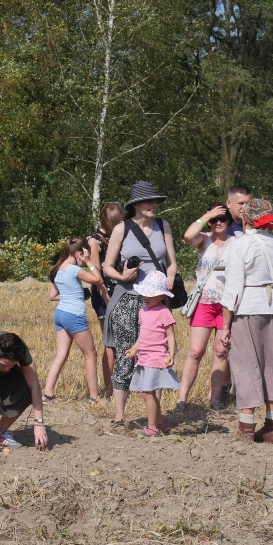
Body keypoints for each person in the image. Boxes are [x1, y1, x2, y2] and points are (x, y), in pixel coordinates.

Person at [219, 199, 273, 443]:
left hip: (246, 310)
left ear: (246, 218)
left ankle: (247, 430)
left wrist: (224, 325)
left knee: (245, 366)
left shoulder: (239, 245)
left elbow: (232, 289)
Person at [102, 181, 178, 427]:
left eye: (156, 201)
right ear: (135, 205)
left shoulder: (163, 225)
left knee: (156, 355)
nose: (154, 205)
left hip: (156, 301)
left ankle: (154, 418)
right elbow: (107, 267)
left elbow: (172, 261)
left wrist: (169, 278)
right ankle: (119, 416)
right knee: (126, 353)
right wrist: (122, 277)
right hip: (126, 298)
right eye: (149, 201)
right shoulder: (121, 229)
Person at [175, 203, 234, 411]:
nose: (218, 223)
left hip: (227, 305)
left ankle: (215, 399)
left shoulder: (236, 242)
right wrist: (208, 214)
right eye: (214, 220)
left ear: (229, 222)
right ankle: (182, 399)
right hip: (204, 303)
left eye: (223, 219)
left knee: (220, 352)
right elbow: (188, 236)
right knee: (195, 352)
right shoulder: (204, 239)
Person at [42, 239, 104, 403]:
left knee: (61, 355)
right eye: (83, 257)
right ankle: (94, 397)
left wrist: (75, 294)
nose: (83, 262)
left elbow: (52, 296)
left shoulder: (58, 269)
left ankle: (47, 393)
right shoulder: (74, 269)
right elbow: (97, 279)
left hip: (60, 314)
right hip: (74, 315)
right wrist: (90, 262)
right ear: (79, 254)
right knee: (90, 355)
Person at [124, 271, 181, 437]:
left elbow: (170, 335)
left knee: (147, 392)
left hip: (156, 357)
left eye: (151, 294)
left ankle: (152, 427)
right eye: (144, 294)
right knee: (148, 393)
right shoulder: (143, 312)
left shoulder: (164, 312)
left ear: (162, 295)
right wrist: (135, 348)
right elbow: (143, 336)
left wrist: (171, 354)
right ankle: (161, 423)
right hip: (144, 357)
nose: (146, 297)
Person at [87, 203, 125, 395]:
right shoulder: (94, 242)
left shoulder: (117, 236)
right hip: (104, 297)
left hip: (120, 291)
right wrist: (108, 302)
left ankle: (120, 385)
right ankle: (109, 390)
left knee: (122, 341)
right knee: (110, 343)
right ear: (106, 222)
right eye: (116, 224)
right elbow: (97, 278)